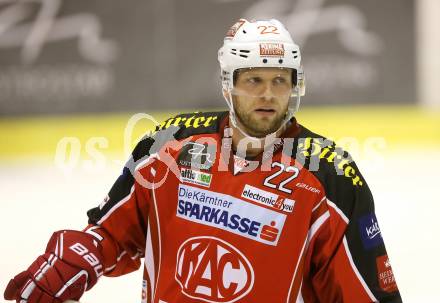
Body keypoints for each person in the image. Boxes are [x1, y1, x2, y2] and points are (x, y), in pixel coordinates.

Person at [4, 18, 402, 303]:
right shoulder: (168, 145)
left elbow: (364, 293)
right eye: (253, 80)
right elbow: (112, 235)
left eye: (279, 80)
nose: (267, 94)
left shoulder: (330, 175)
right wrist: (83, 253)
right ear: (228, 85)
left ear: (294, 86)